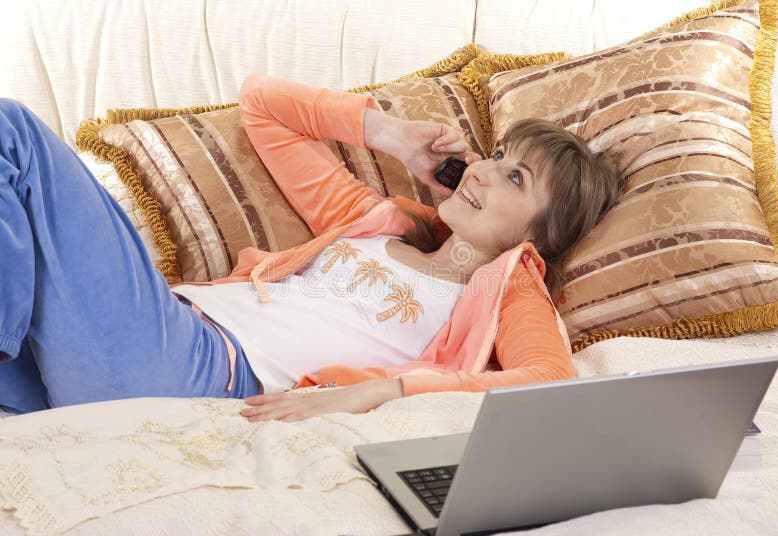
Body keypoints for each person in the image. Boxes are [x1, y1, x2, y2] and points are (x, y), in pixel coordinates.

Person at [0, 74, 618, 421]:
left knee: (14, 131)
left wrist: (383, 391)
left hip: (199, 369)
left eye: (516, 178)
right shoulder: (380, 220)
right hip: (149, 334)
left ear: (543, 234)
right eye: (499, 155)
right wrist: (393, 137)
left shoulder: (510, 289)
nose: (483, 169)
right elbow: (263, 106)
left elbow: (548, 380)